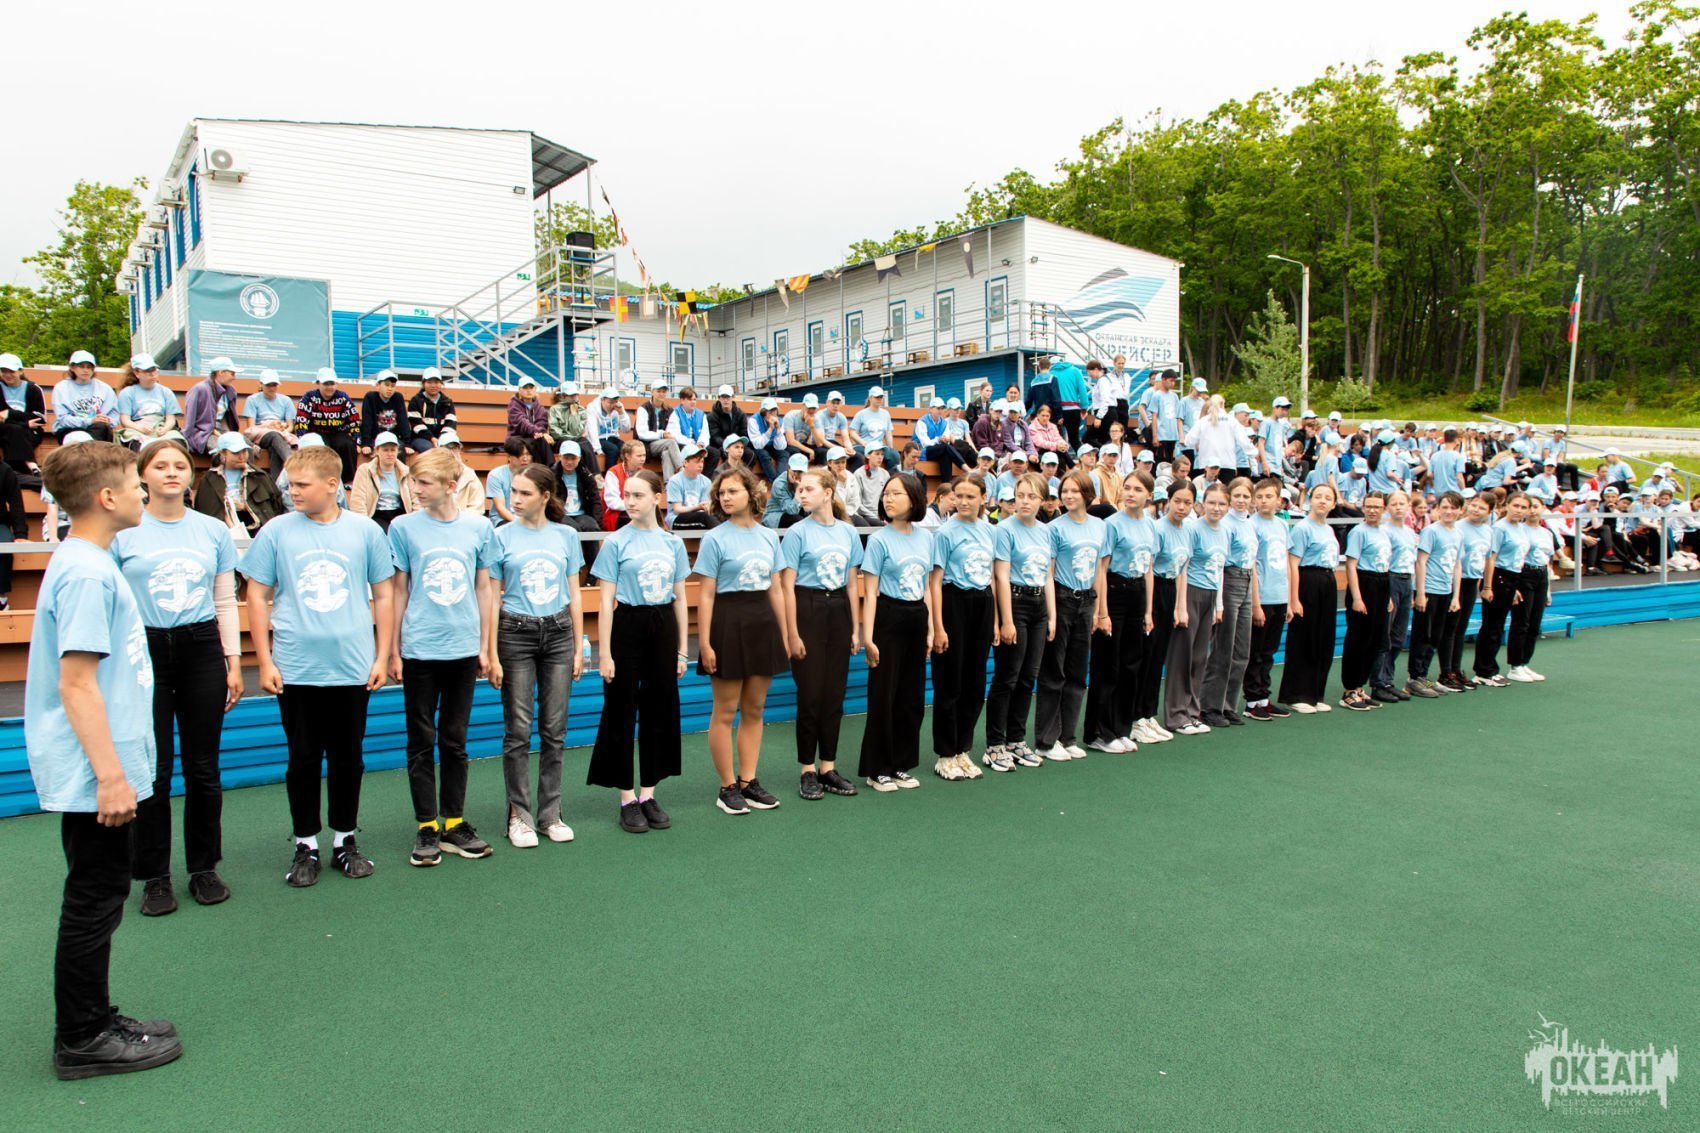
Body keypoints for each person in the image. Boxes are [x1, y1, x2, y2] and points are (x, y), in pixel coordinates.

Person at [27, 440, 184, 1080]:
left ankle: (92, 1018)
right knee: (94, 898)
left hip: (105, 763)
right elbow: (76, 684)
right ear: (107, 496)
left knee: (102, 893)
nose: (145, 491)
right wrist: (111, 777)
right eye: (135, 482)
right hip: (97, 771)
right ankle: (82, 1038)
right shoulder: (87, 572)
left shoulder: (89, 561)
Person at [241, 444, 394, 887]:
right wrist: (264, 660)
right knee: (303, 759)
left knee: (348, 758)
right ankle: (305, 843)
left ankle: (345, 839)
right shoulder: (275, 531)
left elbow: (384, 593)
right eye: (290, 484)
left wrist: (382, 655)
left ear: (332, 484)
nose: (292, 492)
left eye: (301, 485)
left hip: (352, 667)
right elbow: (256, 595)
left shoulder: (365, 531)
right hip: (295, 668)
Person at [114, 437, 243, 916]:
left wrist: (233, 661)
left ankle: (204, 868)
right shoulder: (124, 532)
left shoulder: (212, 531)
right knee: (154, 770)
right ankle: (154, 876)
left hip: (201, 647)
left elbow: (225, 600)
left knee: (203, 768)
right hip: (143, 650)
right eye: (160, 465)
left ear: (191, 474)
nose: (171, 472)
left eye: (179, 465)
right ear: (143, 475)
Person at [387, 449, 499, 867]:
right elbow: (398, 590)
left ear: (451, 486)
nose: (415, 489)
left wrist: (486, 647)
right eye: (413, 481)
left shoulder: (479, 527)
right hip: (419, 649)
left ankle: (454, 822)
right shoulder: (402, 527)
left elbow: (485, 589)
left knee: (455, 739)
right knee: (421, 741)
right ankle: (426, 826)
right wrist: (394, 648)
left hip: (463, 649)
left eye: (424, 483)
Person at [587, 471, 690, 833]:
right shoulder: (615, 542)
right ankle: (626, 798)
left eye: (638, 495)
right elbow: (604, 601)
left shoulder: (673, 544)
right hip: (627, 626)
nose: (629, 502)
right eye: (627, 495)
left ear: (658, 498)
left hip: (663, 627)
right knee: (621, 709)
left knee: (660, 708)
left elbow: (680, 598)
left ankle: (648, 793)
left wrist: (681, 650)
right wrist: (604, 654)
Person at [489, 464, 584, 848]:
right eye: (513, 491)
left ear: (546, 496)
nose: (515, 499)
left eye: (524, 493)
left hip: (559, 633)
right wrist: (490, 651)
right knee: (517, 730)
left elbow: (575, 593)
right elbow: (491, 596)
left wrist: (578, 645)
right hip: (514, 633)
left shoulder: (566, 535)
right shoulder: (500, 536)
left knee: (554, 730)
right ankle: (518, 815)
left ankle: (550, 814)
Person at [693, 464, 790, 815]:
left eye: (733, 491)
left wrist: (784, 634)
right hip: (727, 622)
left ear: (751, 493)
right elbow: (705, 595)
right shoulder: (714, 538)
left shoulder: (768, 536)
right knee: (725, 710)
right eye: (721, 493)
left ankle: (748, 782)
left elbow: (776, 589)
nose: (726, 497)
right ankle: (727, 787)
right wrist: (705, 643)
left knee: (754, 708)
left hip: (762, 623)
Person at [781, 464, 863, 799]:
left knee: (834, 695)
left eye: (808, 489)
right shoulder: (797, 532)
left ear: (828, 493)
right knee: (811, 694)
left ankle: (828, 767)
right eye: (799, 489)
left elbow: (852, 582)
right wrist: (792, 633)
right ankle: (807, 769)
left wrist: (855, 628)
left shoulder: (848, 533)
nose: (801, 494)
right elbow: (786, 586)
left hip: (838, 610)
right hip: (807, 607)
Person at [857, 473, 934, 791]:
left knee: (911, 696)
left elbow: (926, 586)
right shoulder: (879, 540)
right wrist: (868, 637)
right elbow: (870, 592)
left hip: (917, 617)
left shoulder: (926, 538)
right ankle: (878, 768)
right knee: (883, 695)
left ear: (914, 499)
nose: (888, 498)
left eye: (896, 493)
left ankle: (901, 763)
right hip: (888, 617)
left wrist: (931, 628)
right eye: (886, 493)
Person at [1035, 471, 1110, 759]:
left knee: (1078, 673)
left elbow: (1099, 570)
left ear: (1087, 494)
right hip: (1062, 598)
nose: (1067, 496)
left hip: (1086, 600)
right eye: (1064, 491)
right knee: (1054, 671)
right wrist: (1052, 614)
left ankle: (1068, 737)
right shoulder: (1054, 528)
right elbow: (1049, 571)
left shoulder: (1099, 527)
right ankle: (1046, 740)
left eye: (1074, 491)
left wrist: (1099, 611)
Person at [927, 474, 995, 780]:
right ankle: (945, 753)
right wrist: (938, 626)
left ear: (983, 498)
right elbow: (935, 582)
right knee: (949, 682)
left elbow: (992, 575)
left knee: (975, 683)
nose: (964, 502)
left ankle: (962, 749)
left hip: (982, 603)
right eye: (959, 496)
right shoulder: (945, 533)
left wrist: (995, 620)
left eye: (971, 496)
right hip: (953, 603)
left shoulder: (990, 531)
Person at [1084, 470, 1157, 751]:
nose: (1130, 493)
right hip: (1114, 592)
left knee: (1131, 664)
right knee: (1108, 665)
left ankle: (1121, 728)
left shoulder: (1150, 525)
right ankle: (1099, 733)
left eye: (1138, 489)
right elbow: (1101, 568)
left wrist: (1148, 611)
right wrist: (1101, 612)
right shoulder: (1112, 525)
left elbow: (1148, 568)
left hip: (1137, 593)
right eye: (1127, 488)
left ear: (1149, 495)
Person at [1166, 480, 1230, 734]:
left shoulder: (1225, 531)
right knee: (1182, 657)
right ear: (1201, 505)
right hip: (1191, 592)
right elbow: (1183, 566)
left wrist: (1219, 605)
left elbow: (1220, 570)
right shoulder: (1193, 529)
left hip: (1210, 597)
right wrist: (1180, 605)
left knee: (1199, 657)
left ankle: (1192, 712)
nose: (1216, 508)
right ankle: (1175, 715)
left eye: (1221, 504)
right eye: (1212, 503)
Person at [1201, 477, 1260, 726]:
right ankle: (1210, 706)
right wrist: (1219, 602)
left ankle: (1228, 705)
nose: (1241, 500)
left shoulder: (1249, 523)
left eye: (1246, 496)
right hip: (1229, 579)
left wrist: (1255, 600)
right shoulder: (1226, 525)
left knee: (1241, 649)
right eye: (1237, 496)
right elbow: (1219, 563)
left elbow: (1252, 561)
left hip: (1246, 580)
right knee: (1223, 648)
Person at [1278, 482, 1341, 713]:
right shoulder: (1303, 528)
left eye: (1328, 498)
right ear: (1310, 500)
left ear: (1333, 504)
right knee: (1304, 638)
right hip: (1308, 582)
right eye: (1318, 496)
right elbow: (1293, 564)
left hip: (1327, 582)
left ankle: (1315, 693)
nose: (1322, 501)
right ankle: (1296, 694)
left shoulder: (1329, 529)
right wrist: (1294, 599)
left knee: (1323, 639)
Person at [1405, 492, 1464, 698]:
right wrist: (1420, 593)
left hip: (1445, 591)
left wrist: (1456, 596)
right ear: (1437, 509)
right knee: (1423, 635)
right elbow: (1421, 562)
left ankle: (1424, 676)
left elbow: (1457, 565)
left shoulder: (1458, 534)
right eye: (1444, 507)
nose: (1449, 511)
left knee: (1435, 637)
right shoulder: (1431, 531)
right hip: (1429, 590)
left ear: (1460, 510)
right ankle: (1414, 677)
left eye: (1453, 508)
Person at [1474, 492, 1534, 689]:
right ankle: (1484, 671)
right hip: (1498, 576)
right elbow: (1490, 558)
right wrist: (1487, 586)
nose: (1519, 510)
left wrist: (1515, 587)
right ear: (1507, 505)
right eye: (1515, 505)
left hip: (1513, 577)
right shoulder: (1499, 528)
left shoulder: (1521, 529)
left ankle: (1490, 667)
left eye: (1523, 507)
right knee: (1491, 626)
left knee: (1498, 626)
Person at [1339, 492, 1393, 711]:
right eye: (1369, 506)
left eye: (1377, 507)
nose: (1372, 510)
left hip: (1382, 583)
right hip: (1364, 583)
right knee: (1358, 639)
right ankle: (1349, 690)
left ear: (1383, 509)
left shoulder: (1384, 532)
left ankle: (1360, 686)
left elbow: (1385, 565)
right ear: (1363, 508)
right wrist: (1357, 597)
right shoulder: (1358, 532)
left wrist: (1388, 597)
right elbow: (1351, 565)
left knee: (1374, 639)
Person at [1243, 478, 1291, 721]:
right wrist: (1256, 603)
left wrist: (1289, 600)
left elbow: (1286, 562)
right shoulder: (1251, 525)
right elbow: (1251, 565)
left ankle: (1264, 698)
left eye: (1268, 496)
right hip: (1262, 597)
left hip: (1280, 596)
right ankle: (1252, 700)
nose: (1263, 501)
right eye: (1259, 497)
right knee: (1256, 651)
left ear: (1278, 500)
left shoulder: (1282, 525)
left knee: (1270, 651)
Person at [1370, 491, 1418, 704]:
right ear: (1387, 507)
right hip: (1391, 579)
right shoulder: (1384, 531)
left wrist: (1413, 590)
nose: (1398, 507)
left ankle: (1388, 680)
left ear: (1408, 506)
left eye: (1402, 503)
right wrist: (1387, 593)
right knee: (1385, 636)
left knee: (1398, 636)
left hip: (1406, 581)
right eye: (1394, 503)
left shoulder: (1410, 532)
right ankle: (1377, 682)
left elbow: (1412, 562)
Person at [1444, 492, 1494, 692]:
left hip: (1472, 583)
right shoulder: (1458, 527)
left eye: (1482, 508)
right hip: (1455, 582)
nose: (1476, 510)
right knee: (1450, 628)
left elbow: (1487, 559)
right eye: (1474, 505)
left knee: (1461, 628)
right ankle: (1446, 671)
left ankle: (1456, 669)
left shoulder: (1488, 531)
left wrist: (1486, 585)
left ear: (1489, 512)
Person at [194, 432, 287, 537]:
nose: (242, 456)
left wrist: (244, 507)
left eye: (244, 451)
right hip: (221, 535)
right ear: (223, 453)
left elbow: (276, 507)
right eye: (236, 453)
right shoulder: (209, 480)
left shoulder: (260, 476)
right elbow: (203, 513)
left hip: (257, 534)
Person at [1512, 497, 1556, 682]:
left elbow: (1548, 561)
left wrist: (1548, 589)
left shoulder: (1547, 533)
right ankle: (1515, 665)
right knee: (1522, 621)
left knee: (1535, 623)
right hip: (1524, 574)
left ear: (1543, 508)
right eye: (1529, 507)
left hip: (1541, 575)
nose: (1532, 511)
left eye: (1536, 507)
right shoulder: (1520, 530)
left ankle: (1524, 662)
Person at [294, 369, 359, 483]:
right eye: (326, 384)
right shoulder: (309, 397)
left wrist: (357, 440)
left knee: (347, 445)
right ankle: (321, 479)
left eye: (332, 384)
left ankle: (347, 481)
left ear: (336, 384)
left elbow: (353, 418)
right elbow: (302, 420)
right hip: (316, 431)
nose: (329, 387)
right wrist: (301, 438)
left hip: (338, 432)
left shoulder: (343, 397)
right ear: (318, 383)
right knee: (321, 447)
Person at [349, 431, 416, 531]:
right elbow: (357, 501)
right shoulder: (365, 470)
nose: (390, 454)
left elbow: (416, 499)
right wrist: (364, 525)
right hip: (376, 514)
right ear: (377, 451)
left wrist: (415, 521)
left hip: (400, 513)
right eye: (385, 450)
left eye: (393, 450)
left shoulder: (406, 471)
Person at [240, 370, 297, 479]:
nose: (271, 388)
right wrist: (268, 426)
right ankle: (291, 460)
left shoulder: (286, 400)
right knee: (274, 435)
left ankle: (275, 484)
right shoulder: (252, 400)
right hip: (260, 434)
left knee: (275, 447)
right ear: (261, 384)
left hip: (280, 433)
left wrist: (282, 430)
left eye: (274, 385)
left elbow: (290, 426)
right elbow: (251, 427)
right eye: (268, 385)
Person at [114, 355, 180, 450]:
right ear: (137, 373)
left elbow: (171, 419)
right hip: (137, 429)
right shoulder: (127, 393)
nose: (152, 374)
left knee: (176, 441)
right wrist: (139, 428)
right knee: (137, 443)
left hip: (160, 427)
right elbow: (125, 420)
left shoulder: (166, 392)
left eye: (154, 370)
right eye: (147, 371)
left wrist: (165, 429)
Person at [52, 351, 118, 443]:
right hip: (70, 429)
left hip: (97, 429)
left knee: (101, 428)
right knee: (78, 437)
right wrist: (89, 421)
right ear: (73, 368)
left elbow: (114, 415)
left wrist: (108, 420)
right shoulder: (61, 388)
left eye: (89, 367)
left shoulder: (105, 389)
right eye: (81, 366)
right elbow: (63, 419)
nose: (86, 370)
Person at [0, 352, 46, 477]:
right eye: (3, 371)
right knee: (14, 430)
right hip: (5, 431)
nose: (7, 375)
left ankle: (12, 475)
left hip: (29, 433)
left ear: (20, 371)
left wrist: (10, 413)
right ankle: (32, 467)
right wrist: (25, 423)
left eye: (11, 371)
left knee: (15, 431)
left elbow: (40, 419)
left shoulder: (33, 389)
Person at [182, 358, 241, 457]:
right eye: (232, 374)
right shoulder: (200, 389)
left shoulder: (230, 391)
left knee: (245, 447)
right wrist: (188, 439)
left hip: (222, 431)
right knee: (223, 451)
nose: (234, 378)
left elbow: (227, 420)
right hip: (203, 433)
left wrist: (230, 435)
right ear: (221, 372)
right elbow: (190, 420)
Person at [636, 377, 683, 479]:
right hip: (646, 445)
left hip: (663, 445)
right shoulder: (643, 409)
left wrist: (667, 435)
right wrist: (661, 434)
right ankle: (682, 470)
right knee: (670, 443)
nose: (661, 394)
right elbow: (642, 433)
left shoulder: (669, 410)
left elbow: (673, 430)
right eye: (658, 391)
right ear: (652, 392)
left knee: (667, 453)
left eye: (664, 391)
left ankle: (668, 484)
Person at [359, 370, 412, 456]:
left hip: (393, 438)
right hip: (375, 438)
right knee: (380, 451)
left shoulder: (398, 397)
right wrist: (366, 443)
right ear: (378, 385)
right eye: (386, 385)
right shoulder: (370, 398)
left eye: (393, 386)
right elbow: (367, 421)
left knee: (400, 451)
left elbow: (403, 420)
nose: (390, 389)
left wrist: (407, 443)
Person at [552, 443, 602, 533]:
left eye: (573, 458)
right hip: (560, 514)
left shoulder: (586, 475)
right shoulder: (552, 475)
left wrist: (597, 520)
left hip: (582, 514)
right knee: (572, 529)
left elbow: (595, 499)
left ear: (579, 458)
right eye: (566, 458)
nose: (569, 462)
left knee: (592, 527)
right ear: (559, 457)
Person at [666, 443, 716, 530]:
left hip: (699, 517)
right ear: (685, 463)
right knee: (704, 516)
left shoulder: (706, 482)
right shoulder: (675, 481)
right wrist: (697, 507)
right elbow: (677, 509)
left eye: (702, 462)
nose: (700, 465)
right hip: (677, 519)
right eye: (697, 462)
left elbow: (705, 507)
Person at [406, 368, 457, 453]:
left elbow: (450, 425)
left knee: (452, 447)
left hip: (442, 438)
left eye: (436, 382)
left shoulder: (447, 402)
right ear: (423, 383)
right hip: (421, 438)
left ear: (441, 383)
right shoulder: (415, 401)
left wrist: (441, 439)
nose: (433, 386)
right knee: (430, 450)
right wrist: (432, 438)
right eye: (429, 382)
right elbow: (416, 425)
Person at [547, 383, 596, 468]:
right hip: (559, 441)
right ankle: (593, 472)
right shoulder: (554, 409)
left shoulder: (580, 410)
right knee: (581, 444)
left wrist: (574, 414)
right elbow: (555, 432)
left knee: (585, 443)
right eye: (571, 395)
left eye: (575, 395)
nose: (574, 397)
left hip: (577, 440)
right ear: (563, 396)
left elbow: (577, 432)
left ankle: (592, 473)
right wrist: (571, 437)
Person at [602, 439, 647, 531]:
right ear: (627, 456)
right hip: (617, 513)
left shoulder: (645, 473)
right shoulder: (613, 472)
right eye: (639, 456)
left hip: (638, 511)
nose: (642, 459)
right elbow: (613, 502)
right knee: (636, 520)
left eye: (644, 455)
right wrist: (635, 506)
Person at [851, 386, 900, 470]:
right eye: (877, 397)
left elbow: (888, 434)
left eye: (881, 397)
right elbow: (852, 432)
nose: (879, 399)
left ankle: (890, 476)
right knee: (858, 454)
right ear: (870, 398)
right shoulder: (861, 414)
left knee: (894, 455)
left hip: (879, 447)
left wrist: (890, 449)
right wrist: (863, 443)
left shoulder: (886, 414)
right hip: (864, 446)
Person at [484, 437, 531, 525]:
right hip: (502, 519)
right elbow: (500, 507)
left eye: (527, 454)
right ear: (509, 457)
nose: (525, 459)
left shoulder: (534, 475)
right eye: (520, 455)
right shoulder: (496, 475)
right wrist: (520, 523)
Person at [915, 397, 968, 475]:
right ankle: (967, 469)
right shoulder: (922, 422)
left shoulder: (944, 423)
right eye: (938, 408)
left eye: (942, 408)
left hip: (938, 451)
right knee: (945, 448)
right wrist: (939, 440)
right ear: (930, 409)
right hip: (921, 452)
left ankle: (947, 482)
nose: (940, 410)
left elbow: (946, 440)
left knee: (946, 453)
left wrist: (945, 439)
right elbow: (925, 444)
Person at [587, 386, 633, 472]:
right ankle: (610, 476)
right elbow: (592, 430)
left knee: (626, 449)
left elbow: (626, 429)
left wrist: (621, 413)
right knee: (613, 450)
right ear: (602, 400)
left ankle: (627, 474)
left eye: (615, 402)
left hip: (612, 437)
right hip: (599, 438)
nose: (613, 405)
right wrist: (598, 449)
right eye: (610, 402)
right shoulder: (593, 409)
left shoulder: (618, 408)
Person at [845, 443, 889, 526]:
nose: (880, 457)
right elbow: (857, 503)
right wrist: (874, 516)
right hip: (865, 515)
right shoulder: (859, 474)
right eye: (877, 454)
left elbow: (887, 497)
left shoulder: (885, 474)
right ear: (868, 455)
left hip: (882, 515)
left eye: (882, 454)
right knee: (883, 525)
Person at [763, 452, 807, 528]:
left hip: (792, 512)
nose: (796, 474)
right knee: (798, 521)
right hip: (776, 515)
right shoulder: (779, 484)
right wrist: (798, 490)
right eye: (794, 470)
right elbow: (792, 511)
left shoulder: (806, 480)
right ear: (788, 468)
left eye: (800, 471)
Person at [747, 397, 786, 480]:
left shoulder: (780, 421)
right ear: (763, 412)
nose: (772, 414)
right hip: (758, 446)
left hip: (771, 445)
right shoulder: (753, 420)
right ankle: (774, 481)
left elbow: (780, 447)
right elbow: (758, 445)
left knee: (784, 454)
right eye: (769, 411)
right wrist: (770, 429)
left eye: (774, 411)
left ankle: (780, 480)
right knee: (764, 455)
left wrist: (778, 430)